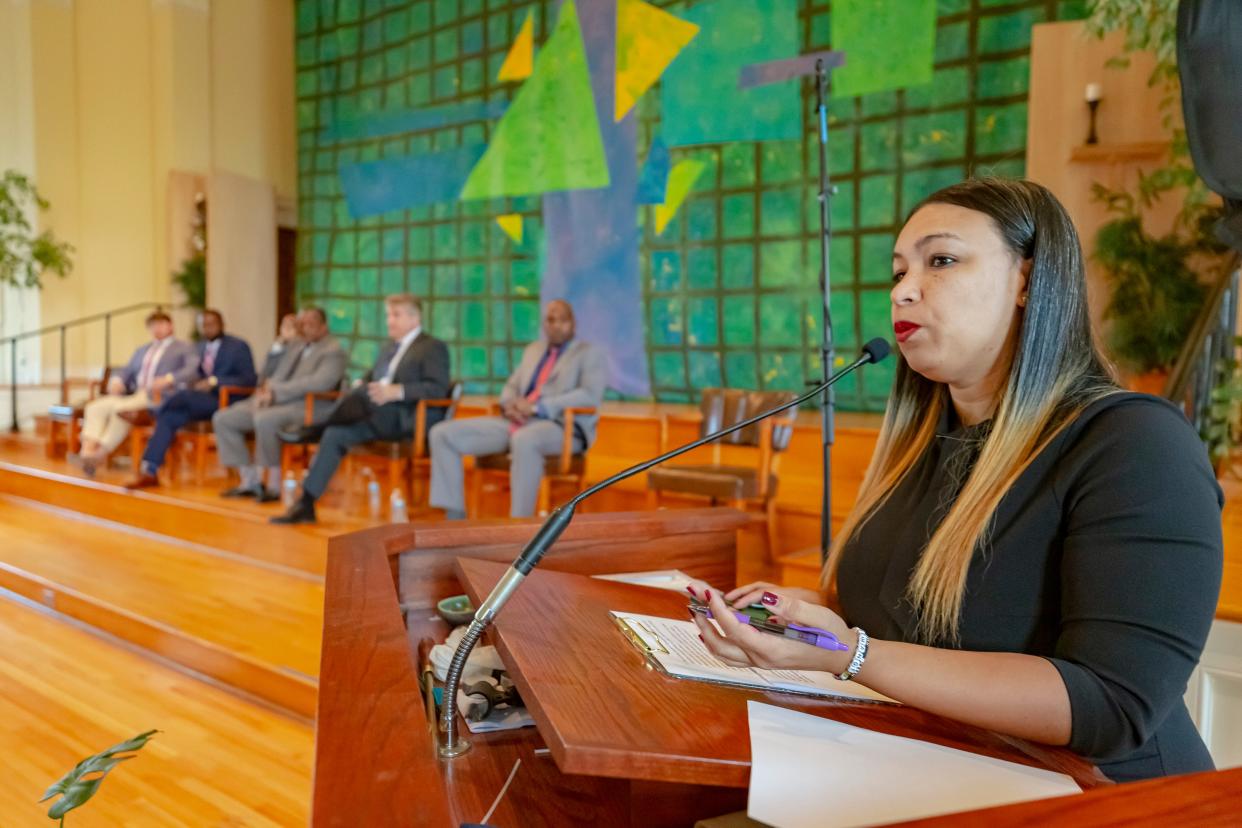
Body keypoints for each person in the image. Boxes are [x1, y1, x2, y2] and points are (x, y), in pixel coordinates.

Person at [688, 178, 1223, 783]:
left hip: (1104, 803)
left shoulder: (1136, 444)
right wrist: (796, 618)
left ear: (1027, 279)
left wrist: (851, 654)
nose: (903, 292)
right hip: (938, 773)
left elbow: (1108, 703)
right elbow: (901, 622)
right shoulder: (922, 445)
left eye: (940, 261)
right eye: (897, 273)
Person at [271, 293, 450, 525]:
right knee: (336, 433)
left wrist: (397, 391)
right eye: (388, 315)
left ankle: (314, 427)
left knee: (361, 396)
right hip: (375, 415)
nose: (389, 321)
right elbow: (372, 378)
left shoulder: (432, 347)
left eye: (396, 315)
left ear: (414, 319)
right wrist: (360, 385)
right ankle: (305, 503)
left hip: (406, 417)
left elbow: (437, 388)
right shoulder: (388, 348)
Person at [428, 299, 608, 518]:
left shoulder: (588, 354)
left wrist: (537, 407)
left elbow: (589, 395)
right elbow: (512, 386)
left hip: (560, 427)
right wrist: (510, 404)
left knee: (525, 439)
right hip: (515, 421)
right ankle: (454, 519)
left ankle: (519, 525)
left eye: (563, 320)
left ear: (573, 323)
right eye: (551, 320)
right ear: (544, 323)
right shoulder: (534, 350)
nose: (556, 325)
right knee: (442, 433)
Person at [212, 308, 345, 501]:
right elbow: (267, 374)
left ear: (323, 327)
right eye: (300, 324)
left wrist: (276, 392)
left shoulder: (333, 351)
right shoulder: (296, 346)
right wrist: (279, 345)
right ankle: (249, 481)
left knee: (265, 419)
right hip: (275, 401)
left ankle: (273, 485)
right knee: (224, 418)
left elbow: (319, 383)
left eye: (308, 324)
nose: (302, 328)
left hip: (309, 406)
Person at [124, 309, 257, 489]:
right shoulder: (197, 347)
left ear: (222, 324)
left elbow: (249, 379)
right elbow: (191, 374)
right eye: (204, 325)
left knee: (177, 399)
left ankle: (153, 411)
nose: (208, 328)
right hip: (197, 401)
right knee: (169, 417)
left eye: (212, 323)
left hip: (224, 399)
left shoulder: (238, 346)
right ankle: (150, 470)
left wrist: (214, 381)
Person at [72, 310, 198, 476]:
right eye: (153, 326)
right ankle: (87, 453)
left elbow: (192, 370)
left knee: (122, 411)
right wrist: (117, 381)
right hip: (134, 394)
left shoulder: (184, 348)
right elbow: (127, 370)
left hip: (159, 397)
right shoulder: (142, 350)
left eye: (160, 324)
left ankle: (99, 454)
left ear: (170, 326)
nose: (156, 329)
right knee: (95, 407)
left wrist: (168, 379)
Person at [260, 313, 300, 381]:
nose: (287, 329)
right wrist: (277, 346)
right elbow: (265, 371)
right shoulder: (276, 346)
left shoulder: (300, 348)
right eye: (284, 325)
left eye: (291, 326)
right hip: (269, 384)